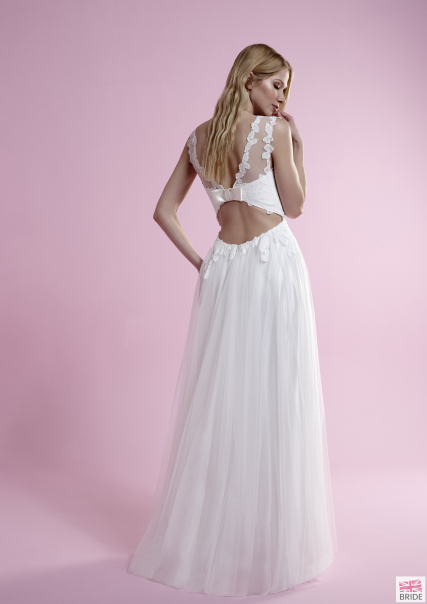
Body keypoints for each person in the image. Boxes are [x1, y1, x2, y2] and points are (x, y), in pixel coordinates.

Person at [127, 43, 338, 596]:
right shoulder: (276, 132)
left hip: (225, 269)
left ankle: (214, 535)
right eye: (276, 84)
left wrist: (204, 263)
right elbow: (295, 207)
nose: (282, 96)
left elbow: (163, 211)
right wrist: (299, 149)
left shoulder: (199, 138)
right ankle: (272, 541)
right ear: (248, 79)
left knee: (223, 397)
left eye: (286, 87)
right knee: (278, 392)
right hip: (274, 263)